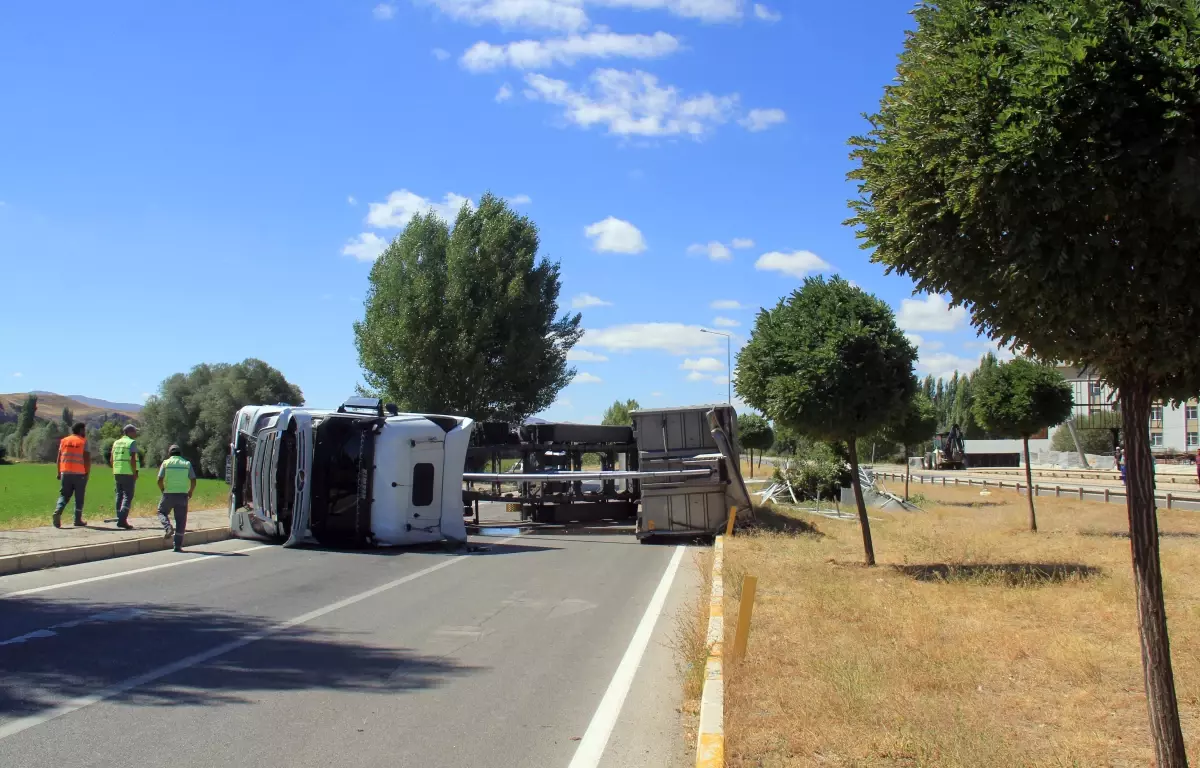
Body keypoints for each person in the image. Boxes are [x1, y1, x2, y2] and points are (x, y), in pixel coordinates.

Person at [156, 445, 196, 552]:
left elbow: (159, 480)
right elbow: (193, 480)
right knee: (181, 521)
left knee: (161, 511)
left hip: (168, 494)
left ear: (169, 453)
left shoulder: (166, 463)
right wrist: (190, 491)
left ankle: (168, 528)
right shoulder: (186, 464)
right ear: (180, 453)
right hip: (182, 495)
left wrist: (163, 489)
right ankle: (177, 546)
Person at [54, 422, 91, 528]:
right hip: (80, 473)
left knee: (64, 495)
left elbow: (59, 458)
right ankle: (77, 520)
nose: (85, 432)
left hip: (65, 472)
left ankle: (58, 511)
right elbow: (87, 459)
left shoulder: (64, 441)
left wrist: (59, 472)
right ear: (80, 430)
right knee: (79, 497)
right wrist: (87, 472)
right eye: (84, 430)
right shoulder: (83, 441)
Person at [110, 424, 140, 530]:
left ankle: (119, 517)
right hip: (128, 472)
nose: (136, 433)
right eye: (134, 431)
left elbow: (111, 459)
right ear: (130, 432)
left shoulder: (116, 442)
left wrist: (115, 469)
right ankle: (122, 520)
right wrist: (135, 472)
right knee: (128, 496)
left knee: (119, 494)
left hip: (117, 471)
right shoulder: (132, 442)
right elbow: (132, 459)